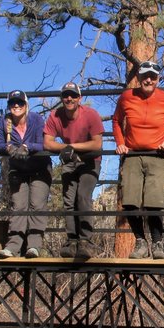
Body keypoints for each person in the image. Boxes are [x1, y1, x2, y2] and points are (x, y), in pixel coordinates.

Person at [112, 61, 164, 259]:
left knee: (154, 203)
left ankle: (158, 243)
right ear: (139, 78)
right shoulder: (127, 97)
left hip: (157, 155)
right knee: (129, 201)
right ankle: (140, 242)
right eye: (145, 76)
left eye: (153, 76)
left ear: (158, 79)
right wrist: (120, 142)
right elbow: (117, 121)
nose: (149, 80)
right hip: (132, 154)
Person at [44, 81, 104, 258]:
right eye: (65, 95)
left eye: (73, 95)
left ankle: (86, 241)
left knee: (83, 196)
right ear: (62, 98)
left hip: (90, 160)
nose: (69, 99)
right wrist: (67, 150)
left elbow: (97, 143)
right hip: (69, 160)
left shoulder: (91, 115)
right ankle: (72, 241)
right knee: (68, 200)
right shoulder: (55, 116)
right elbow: (47, 142)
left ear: (80, 98)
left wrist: (71, 147)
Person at [0, 90, 52, 259]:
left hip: (39, 168)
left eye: (20, 103)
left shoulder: (36, 119)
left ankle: (34, 246)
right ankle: (13, 247)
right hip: (17, 169)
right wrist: (9, 148)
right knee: (18, 206)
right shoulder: (5, 122)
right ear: (9, 106)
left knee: (37, 205)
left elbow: (44, 144)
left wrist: (27, 147)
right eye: (12, 103)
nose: (16, 106)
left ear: (26, 105)